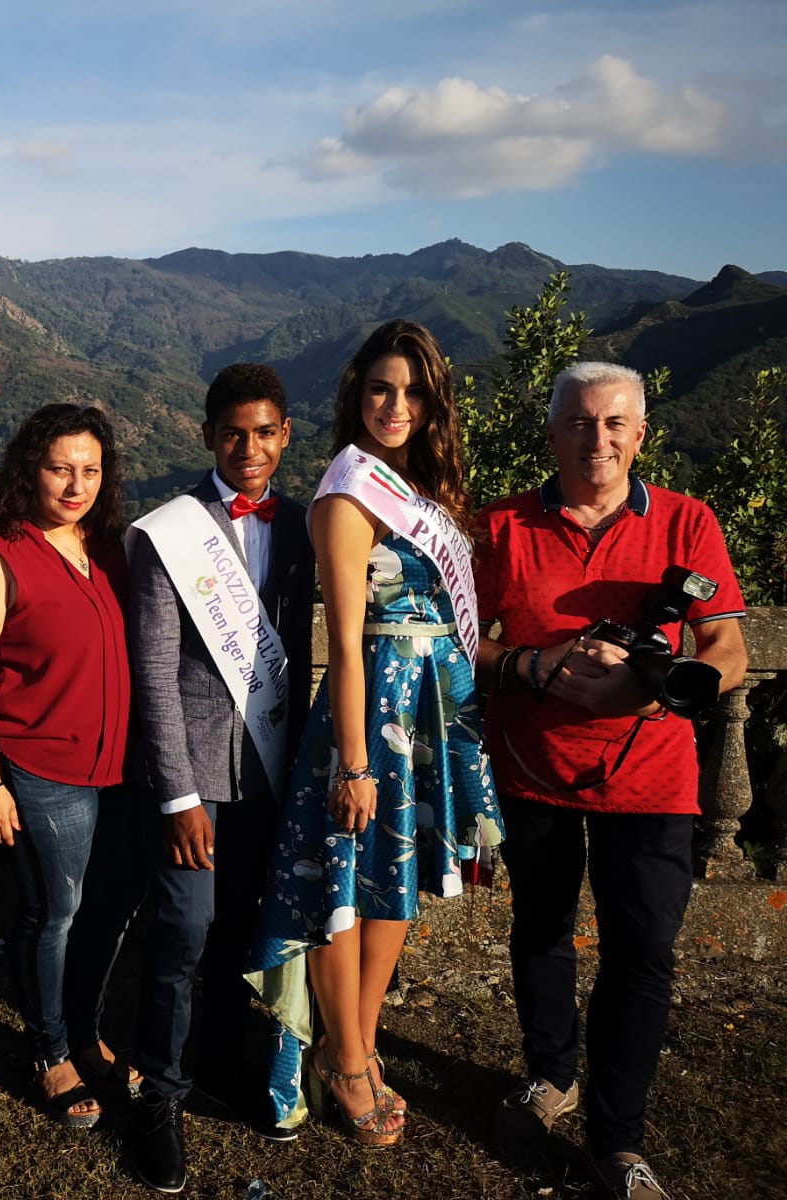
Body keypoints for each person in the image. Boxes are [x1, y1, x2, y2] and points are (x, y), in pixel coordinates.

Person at [475, 363, 747, 1200]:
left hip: (653, 783)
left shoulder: (686, 522)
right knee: (541, 930)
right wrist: (534, 661)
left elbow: (728, 653)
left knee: (642, 955)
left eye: (616, 423)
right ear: (552, 432)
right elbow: (457, 643)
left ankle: (618, 1140)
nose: (599, 440)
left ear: (641, 431)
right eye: (581, 423)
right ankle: (550, 1074)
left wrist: (652, 686)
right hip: (536, 773)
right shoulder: (501, 528)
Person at [247, 320, 501, 1148]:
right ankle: (344, 1059)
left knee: (397, 882)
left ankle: (354, 1041)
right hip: (372, 714)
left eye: (412, 391)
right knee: (341, 885)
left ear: (433, 404)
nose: (395, 404)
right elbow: (346, 646)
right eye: (380, 389)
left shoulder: (424, 493)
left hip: (429, 714)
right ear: (357, 395)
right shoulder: (350, 492)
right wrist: (354, 763)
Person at [121, 364, 315, 1192]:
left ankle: (218, 1063)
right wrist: (178, 794)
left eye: (264, 431)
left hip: (271, 777)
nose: (248, 447)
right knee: (181, 935)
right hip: (192, 783)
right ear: (206, 434)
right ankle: (157, 1094)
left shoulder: (307, 526)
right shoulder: (168, 532)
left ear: (285, 436)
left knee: (239, 931)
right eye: (233, 432)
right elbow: (155, 675)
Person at [0, 403, 131, 1129]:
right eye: (60, 467)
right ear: (32, 469)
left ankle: (84, 1030)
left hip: (115, 768)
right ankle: (49, 1051)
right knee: (51, 915)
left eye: (90, 469)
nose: (75, 483)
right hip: (39, 768)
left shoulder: (103, 547)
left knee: (100, 915)